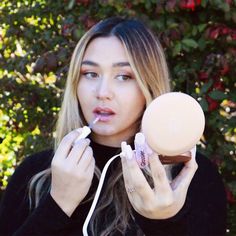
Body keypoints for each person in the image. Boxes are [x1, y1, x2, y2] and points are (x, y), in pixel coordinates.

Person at [0, 17, 227, 236]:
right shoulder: (33, 175)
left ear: (149, 85)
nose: (102, 92)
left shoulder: (188, 178)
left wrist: (165, 222)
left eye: (124, 76)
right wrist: (58, 204)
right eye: (90, 74)